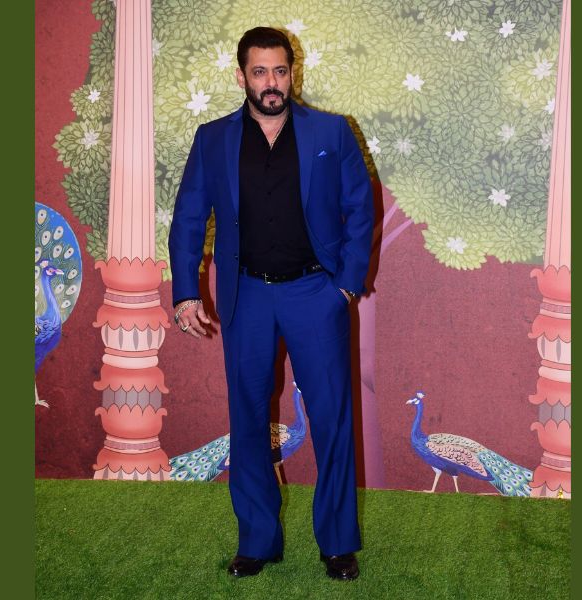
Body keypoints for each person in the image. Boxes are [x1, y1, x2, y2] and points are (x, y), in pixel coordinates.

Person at [168, 26, 374, 581]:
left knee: (331, 419)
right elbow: (188, 218)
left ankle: (338, 543)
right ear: (242, 77)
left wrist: (345, 286)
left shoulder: (331, 131)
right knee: (248, 420)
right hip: (248, 296)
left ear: (292, 73)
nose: (271, 82)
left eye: (280, 71)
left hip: (315, 294)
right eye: (260, 72)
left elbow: (360, 208)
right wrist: (186, 291)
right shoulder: (212, 139)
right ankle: (257, 541)